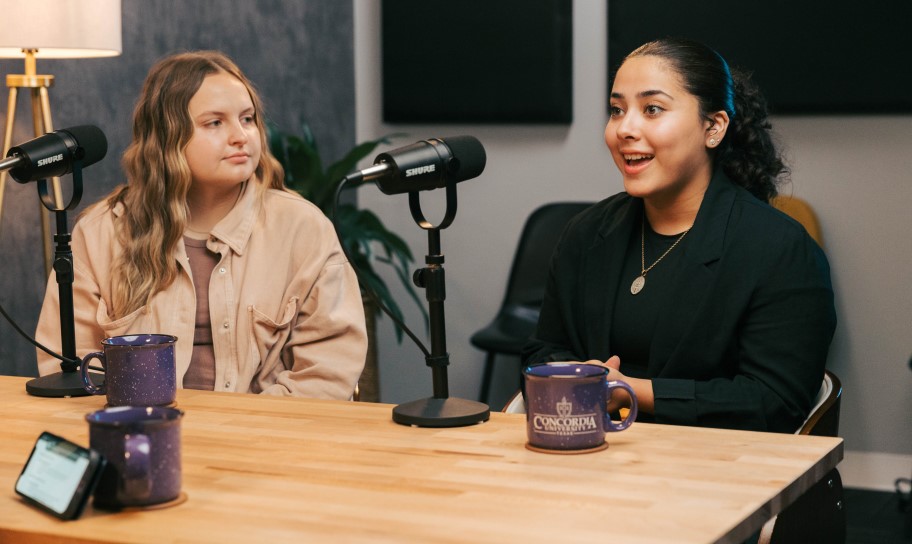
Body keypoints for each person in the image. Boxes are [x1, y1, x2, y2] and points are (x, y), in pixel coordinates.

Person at [523, 38, 836, 433]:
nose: (625, 129)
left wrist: (630, 391)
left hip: (717, 469)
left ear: (713, 128)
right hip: (592, 456)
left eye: (652, 109)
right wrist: (577, 377)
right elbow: (543, 348)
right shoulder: (586, 234)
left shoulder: (780, 250)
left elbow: (773, 402)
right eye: (617, 110)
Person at [35, 50, 367, 399]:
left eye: (248, 119)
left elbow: (328, 371)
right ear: (167, 138)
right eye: (215, 123)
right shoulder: (102, 232)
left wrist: (242, 431)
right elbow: (67, 363)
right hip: (138, 436)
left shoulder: (304, 228)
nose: (241, 136)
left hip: (268, 442)